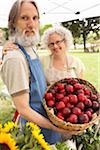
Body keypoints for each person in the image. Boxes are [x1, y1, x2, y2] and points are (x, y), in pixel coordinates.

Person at [0, 0, 75, 145]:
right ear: (13, 23)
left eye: (35, 18)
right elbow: (23, 109)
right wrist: (55, 127)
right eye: (24, 18)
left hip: (47, 122)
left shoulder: (31, 49)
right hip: (33, 134)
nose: (31, 24)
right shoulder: (15, 58)